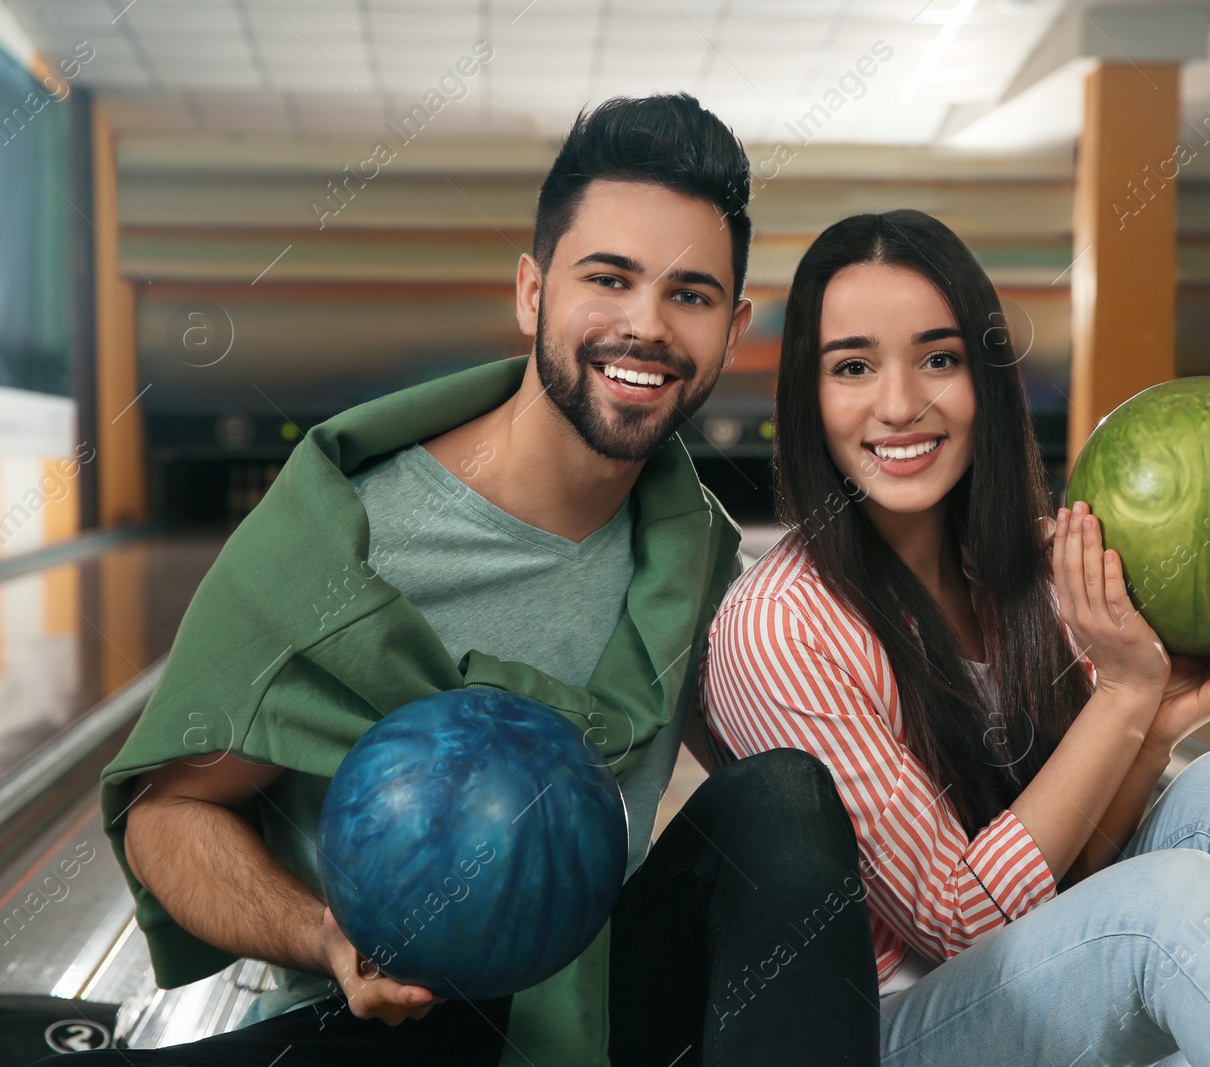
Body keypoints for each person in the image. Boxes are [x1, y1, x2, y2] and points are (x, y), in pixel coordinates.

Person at [71, 95, 878, 1067]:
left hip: (593, 998)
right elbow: (171, 811)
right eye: (609, 278)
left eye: (689, 294)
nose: (646, 324)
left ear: (733, 326)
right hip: (372, 1026)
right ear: (533, 291)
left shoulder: (696, 555)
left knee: (782, 797)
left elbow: (813, 786)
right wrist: (327, 934)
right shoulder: (346, 534)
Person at [698, 208, 1210, 1066]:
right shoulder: (783, 624)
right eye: (853, 366)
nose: (900, 404)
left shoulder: (1036, 570)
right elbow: (961, 919)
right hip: (899, 1032)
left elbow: (1068, 883)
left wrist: (1154, 722)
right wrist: (1122, 694)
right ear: (807, 394)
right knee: (1172, 907)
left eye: (940, 358)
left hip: (1034, 993)